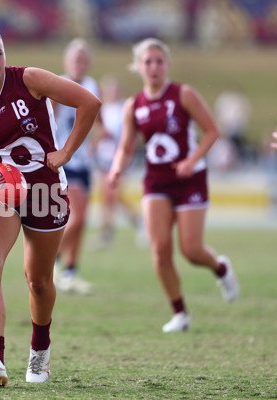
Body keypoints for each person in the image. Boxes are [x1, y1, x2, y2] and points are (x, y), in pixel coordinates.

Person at [0, 25, 100, 386]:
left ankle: (40, 352)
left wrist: (65, 153)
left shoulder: (29, 79)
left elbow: (89, 103)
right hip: (2, 195)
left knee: (38, 282)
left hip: (46, 191)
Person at [107, 38, 240, 333]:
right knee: (160, 249)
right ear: (138, 67)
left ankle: (221, 268)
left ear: (166, 64)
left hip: (190, 180)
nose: (154, 67)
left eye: (159, 61)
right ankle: (179, 312)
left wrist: (192, 160)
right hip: (156, 182)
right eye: (148, 62)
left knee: (191, 250)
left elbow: (212, 131)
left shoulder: (184, 95)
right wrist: (117, 169)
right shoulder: (134, 106)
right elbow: (127, 147)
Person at [52, 38, 105, 294]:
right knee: (76, 217)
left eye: (83, 59)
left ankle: (70, 270)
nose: (79, 63)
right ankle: (51, 261)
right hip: (65, 159)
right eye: (75, 59)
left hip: (84, 161)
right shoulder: (58, 85)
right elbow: (47, 120)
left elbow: (100, 121)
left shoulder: (94, 86)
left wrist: (101, 137)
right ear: (66, 62)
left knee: (82, 222)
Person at [94, 75, 145, 249]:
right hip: (104, 157)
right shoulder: (104, 109)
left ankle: (139, 222)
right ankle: (106, 233)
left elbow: (131, 134)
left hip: (118, 158)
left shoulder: (124, 109)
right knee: (106, 198)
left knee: (115, 196)